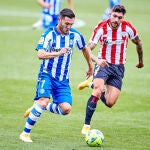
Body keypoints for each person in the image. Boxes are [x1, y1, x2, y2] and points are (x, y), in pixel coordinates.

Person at [19, 8, 93, 142]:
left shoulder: (75, 35)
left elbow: (84, 48)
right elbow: (40, 55)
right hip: (46, 75)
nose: (69, 27)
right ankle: (25, 133)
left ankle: (40, 106)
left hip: (62, 80)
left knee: (66, 109)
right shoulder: (48, 34)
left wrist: (90, 66)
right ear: (59, 20)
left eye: (71, 24)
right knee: (43, 101)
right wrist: (58, 53)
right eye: (66, 24)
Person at [81, 5, 144, 135]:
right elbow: (87, 49)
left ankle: (91, 83)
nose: (116, 20)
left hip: (118, 68)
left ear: (123, 18)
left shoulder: (127, 28)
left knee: (110, 102)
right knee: (98, 91)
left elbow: (138, 42)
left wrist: (141, 60)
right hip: (103, 64)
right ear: (110, 14)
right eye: (114, 16)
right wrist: (97, 60)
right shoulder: (101, 28)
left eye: (120, 18)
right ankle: (86, 125)